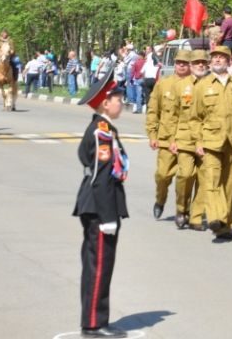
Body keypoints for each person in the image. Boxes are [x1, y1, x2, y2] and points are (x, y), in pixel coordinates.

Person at [73, 70, 129, 339]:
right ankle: (94, 324)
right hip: (98, 207)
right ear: (106, 102)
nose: (121, 102)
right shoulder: (101, 132)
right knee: (99, 266)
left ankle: (96, 320)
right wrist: (108, 216)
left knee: (99, 265)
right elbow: (101, 176)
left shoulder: (103, 128)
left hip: (96, 205)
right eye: (118, 98)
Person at [193, 45, 232, 242]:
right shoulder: (202, 86)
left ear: (230, 61)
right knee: (212, 181)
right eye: (214, 57)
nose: (218, 60)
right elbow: (195, 118)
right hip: (210, 141)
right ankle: (214, 218)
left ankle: (225, 226)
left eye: (222, 57)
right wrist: (198, 141)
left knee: (229, 184)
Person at [145, 50, 188, 220]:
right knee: (163, 175)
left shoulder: (196, 85)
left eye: (185, 63)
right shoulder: (163, 84)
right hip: (165, 138)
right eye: (178, 62)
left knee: (186, 177)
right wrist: (152, 135)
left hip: (187, 140)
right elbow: (153, 111)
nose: (181, 65)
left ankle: (182, 210)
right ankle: (160, 200)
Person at [168, 50, 207, 230]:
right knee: (185, 174)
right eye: (196, 62)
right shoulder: (181, 86)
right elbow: (172, 114)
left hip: (207, 138)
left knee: (204, 178)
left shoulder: (211, 85)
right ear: (190, 66)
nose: (200, 65)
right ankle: (181, 208)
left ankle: (196, 216)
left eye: (203, 62)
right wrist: (171, 139)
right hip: (184, 137)